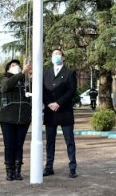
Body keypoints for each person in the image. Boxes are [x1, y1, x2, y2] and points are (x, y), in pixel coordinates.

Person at [43, 49, 78, 178]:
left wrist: (58, 103)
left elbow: (71, 90)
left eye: (58, 54)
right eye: (53, 54)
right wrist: (48, 103)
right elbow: (43, 90)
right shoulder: (46, 73)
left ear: (63, 58)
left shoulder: (70, 72)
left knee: (69, 141)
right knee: (50, 142)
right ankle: (49, 167)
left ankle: (72, 167)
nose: (56, 56)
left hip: (64, 111)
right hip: (50, 112)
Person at [0, 59, 31, 181]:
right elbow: (6, 86)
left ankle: (18, 170)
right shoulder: (6, 79)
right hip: (7, 118)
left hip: (23, 119)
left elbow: (36, 90)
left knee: (19, 145)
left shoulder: (25, 82)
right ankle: (9, 170)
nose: (16, 66)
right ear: (8, 69)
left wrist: (32, 76)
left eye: (17, 65)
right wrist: (22, 72)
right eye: (13, 65)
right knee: (9, 145)